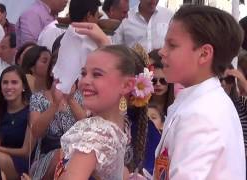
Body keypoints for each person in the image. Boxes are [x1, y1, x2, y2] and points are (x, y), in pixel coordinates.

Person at [154, 5, 245, 179]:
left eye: (172, 45)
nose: (162, 51)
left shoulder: (201, 114)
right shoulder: (197, 101)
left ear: (204, 54)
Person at [55, 44, 152, 179]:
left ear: (126, 85)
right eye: (83, 73)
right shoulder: (116, 129)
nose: (85, 80)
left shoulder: (98, 132)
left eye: (97, 74)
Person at [0, 65, 32, 180]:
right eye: (5, 83)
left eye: (14, 82)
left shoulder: (31, 111)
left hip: (21, 162)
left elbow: (26, 152)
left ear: (23, 86)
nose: (9, 87)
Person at [148, 49, 174, 116]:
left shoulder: (177, 104)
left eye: (163, 80)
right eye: (153, 81)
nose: (158, 84)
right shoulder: (140, 106)